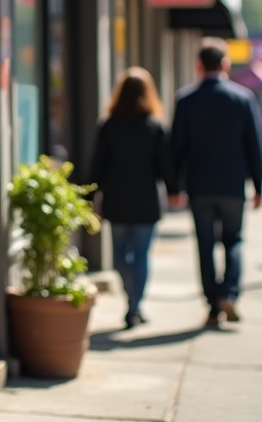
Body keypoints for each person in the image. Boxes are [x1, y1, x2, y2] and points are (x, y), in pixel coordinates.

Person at [170, 37, 262, 328]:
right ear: (225, 65)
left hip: (199, 186)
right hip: (233, 186)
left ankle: (212, 305)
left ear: (198, 65)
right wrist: (259, 186)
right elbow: (256, 146)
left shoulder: (186, 100)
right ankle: (229, 293)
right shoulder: (243, 98)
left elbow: (176, 148)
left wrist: (174, 188)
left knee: (205, 245)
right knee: (233, 240)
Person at [90, 67, 172, 330]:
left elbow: (97, 167)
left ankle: (133, 304)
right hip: (144, 201)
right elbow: (166, 166)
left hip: (119, 201)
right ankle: (135, 303)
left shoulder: (111, 125)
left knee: (122, 258)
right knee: (138, 257)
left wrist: (90, 195)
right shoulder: (152, 125)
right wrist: (174, 190)